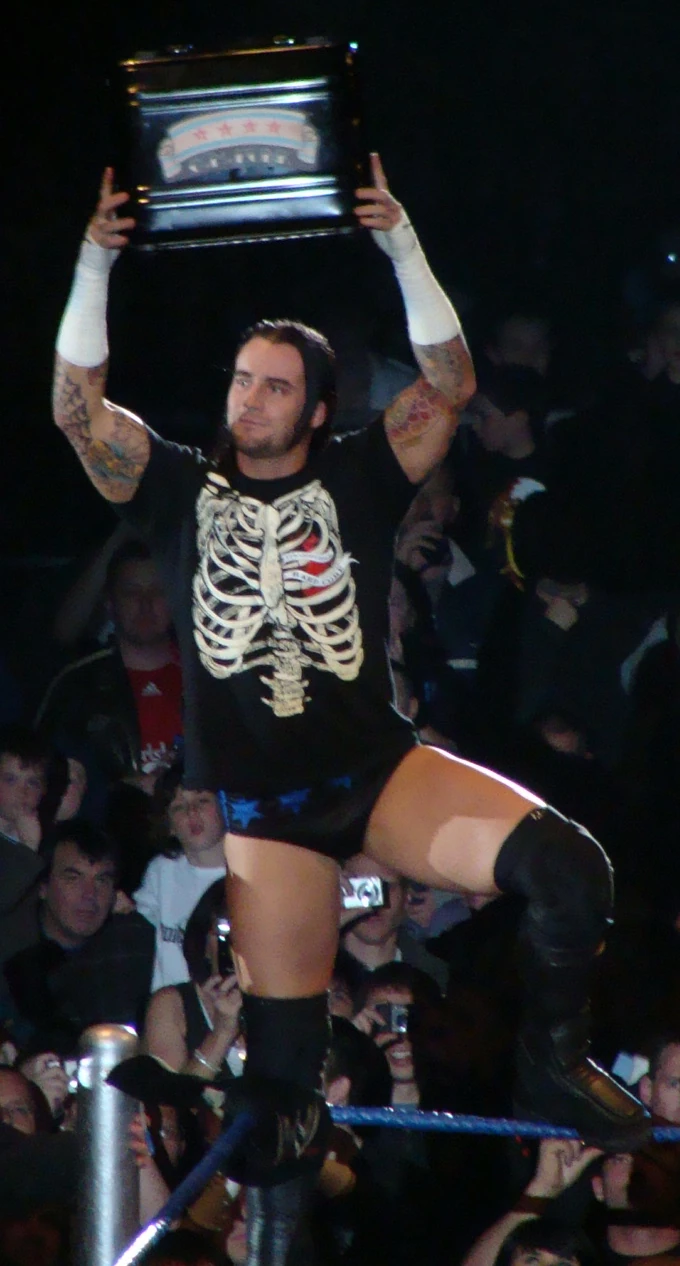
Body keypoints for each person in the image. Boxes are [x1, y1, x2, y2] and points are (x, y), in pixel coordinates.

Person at [54, 157, 646, 1266]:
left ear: (317, 408)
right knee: (283, 1103)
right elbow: (77, 412)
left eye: (275, 386)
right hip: (267, 816)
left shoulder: (361, 473)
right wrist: (95, 260)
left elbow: (450, 381)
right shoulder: (179, 487)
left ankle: (552, 1064)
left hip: (376, 774)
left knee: (572, 873)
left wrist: (400, 243)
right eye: (242, 380)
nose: (249, 398)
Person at [134, 766, 227, 990]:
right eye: (179, 807)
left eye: (202, 801)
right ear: (170, 826)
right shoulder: (161, 871)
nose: (191, 812)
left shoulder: (246, 872)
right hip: (173, 1001)